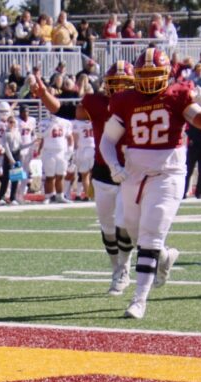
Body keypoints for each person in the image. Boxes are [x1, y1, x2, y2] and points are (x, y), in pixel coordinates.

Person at [98, 47, 201, 318]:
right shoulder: (125, 99)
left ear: (167, 74)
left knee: (150, 235)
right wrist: (113, 166)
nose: (148, 81)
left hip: (167, 174)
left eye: (154, 74)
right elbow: (108, 140)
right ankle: (165, 257)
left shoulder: (178, 95)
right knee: (133, 232)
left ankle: (138, 299)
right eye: (144, 75)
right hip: (134, 174)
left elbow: (197, 118)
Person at [32, 60, 136, 295]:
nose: (119, 90)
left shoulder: (140, 104)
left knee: (123, 222)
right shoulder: (98, 103)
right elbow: (64, 110)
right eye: (115, 84)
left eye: (124, 84)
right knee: (108, 227)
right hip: (102, 172)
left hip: (130, 171)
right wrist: (44, 94)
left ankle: (125, 266)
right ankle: (116, 268)